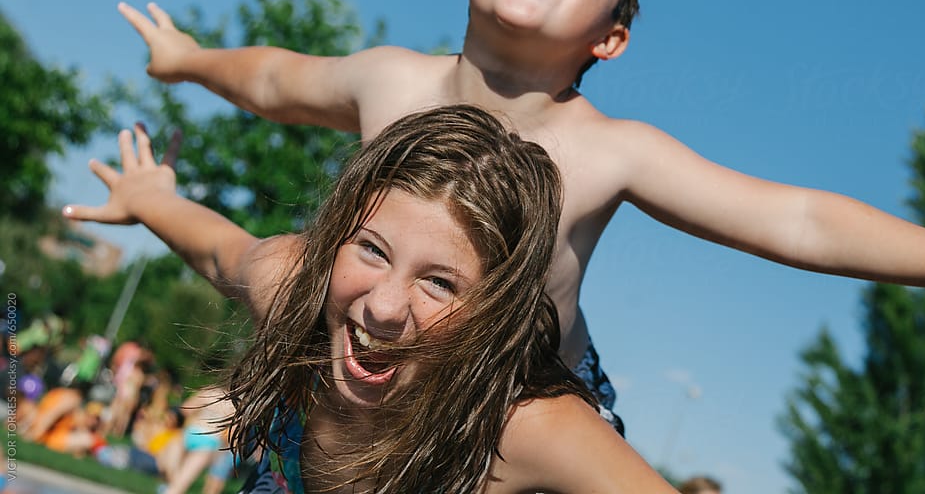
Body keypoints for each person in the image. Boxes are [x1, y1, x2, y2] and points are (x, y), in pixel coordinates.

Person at [118, 0, 925, 430]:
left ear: (611, 38)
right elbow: (276, 79)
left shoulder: (607, 151)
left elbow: (798, 220)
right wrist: (191, 59)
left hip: (514, 411)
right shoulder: (388, 80)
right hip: (365, 383)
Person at [63, 107, 676, 493]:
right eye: (373, 250)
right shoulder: (298, 295)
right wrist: (148, 198)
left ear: (491, 315)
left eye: (439, 283)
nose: (383, 307)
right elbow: (221, 251)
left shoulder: (519, 428)